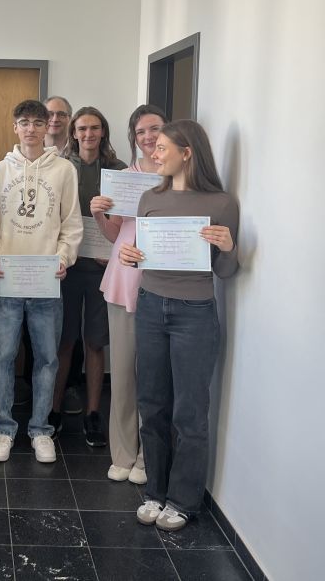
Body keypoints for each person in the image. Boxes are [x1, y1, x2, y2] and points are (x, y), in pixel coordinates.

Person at [119, 119, 239, 531]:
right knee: (152, 405)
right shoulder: (150, 198)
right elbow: (142, 252)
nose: (154, 153)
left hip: (195, 312)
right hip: (151, 306)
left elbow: (226, 270)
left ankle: (183, 500)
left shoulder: (222, 203)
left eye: (162, 148)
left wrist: (229, 247)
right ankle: (155, 491)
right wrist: (130, 256)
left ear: (187, 153)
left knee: (190, 411)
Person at [0, 100, 82, 463]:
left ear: (47, 127)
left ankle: (41, 429)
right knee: (2, 356)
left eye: (38, 123)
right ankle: (3, 428)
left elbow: (71, 224)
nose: (31, 129)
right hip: (8, 281)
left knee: (47, 359)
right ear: (15, 127)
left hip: (46, 283)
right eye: (24, 122)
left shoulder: (64, 170)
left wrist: (64, 258)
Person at [90, 104, 168, 484]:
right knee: (122, 375)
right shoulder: (123, 178)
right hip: (124, 281)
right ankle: (122, 453)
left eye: (154, 129)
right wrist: (99, 214)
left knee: (153, 377)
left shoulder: (177, 177)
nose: (148, 137)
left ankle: (146, 456)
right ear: (133, 138)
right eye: (140, 132)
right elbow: (113, 235)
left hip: (163, 283)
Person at [53, 106, 127, 447]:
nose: (88, 134)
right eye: (82, 128)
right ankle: (53, 409)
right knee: (65, 340)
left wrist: (112, 251)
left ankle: (93, 413)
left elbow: (127, 222)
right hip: (67, 268)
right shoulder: (60, 167)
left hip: (101, 267)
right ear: (73, 132)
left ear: (103, 131)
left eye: (94, 128)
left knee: (95, 341)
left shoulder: (118, 171)